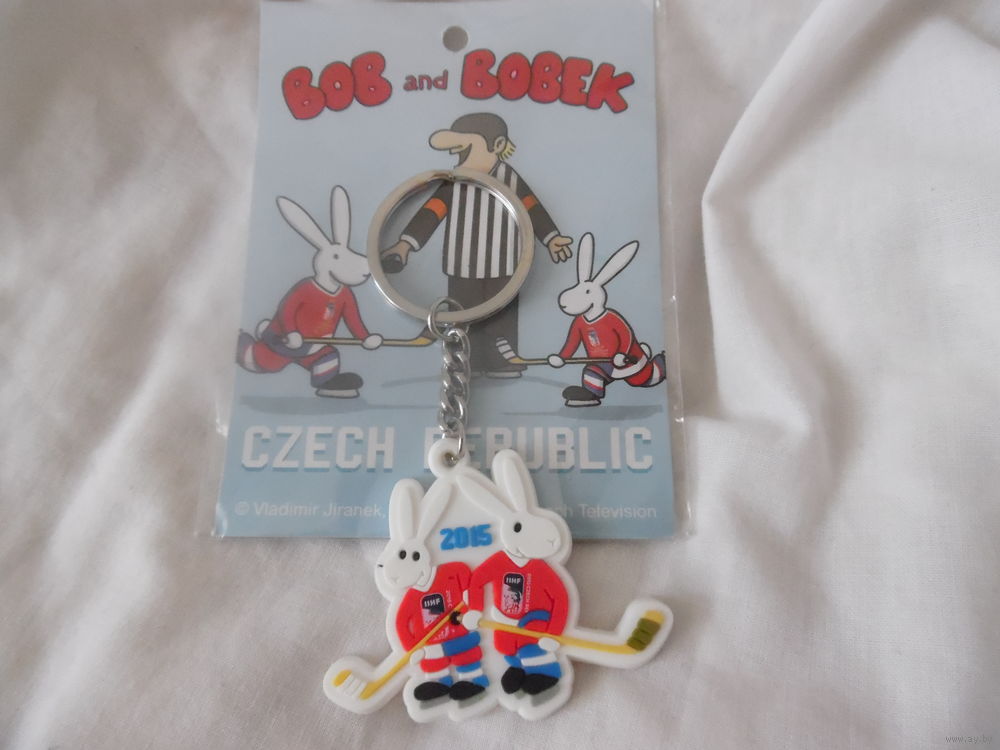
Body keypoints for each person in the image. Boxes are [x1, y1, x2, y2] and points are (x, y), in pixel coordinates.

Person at [381, 113, 572, 377]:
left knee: (503, 314)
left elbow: (530, 206)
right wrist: (405, 244)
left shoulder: (509, 177)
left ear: (497, 145)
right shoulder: (454, 180)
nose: (460, 159)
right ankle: (470, 358)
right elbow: (433, 210)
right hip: (462, 262)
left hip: (506, 263)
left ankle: (501, 357)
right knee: (463, 307)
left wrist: (551, 237)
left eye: (465, 149)